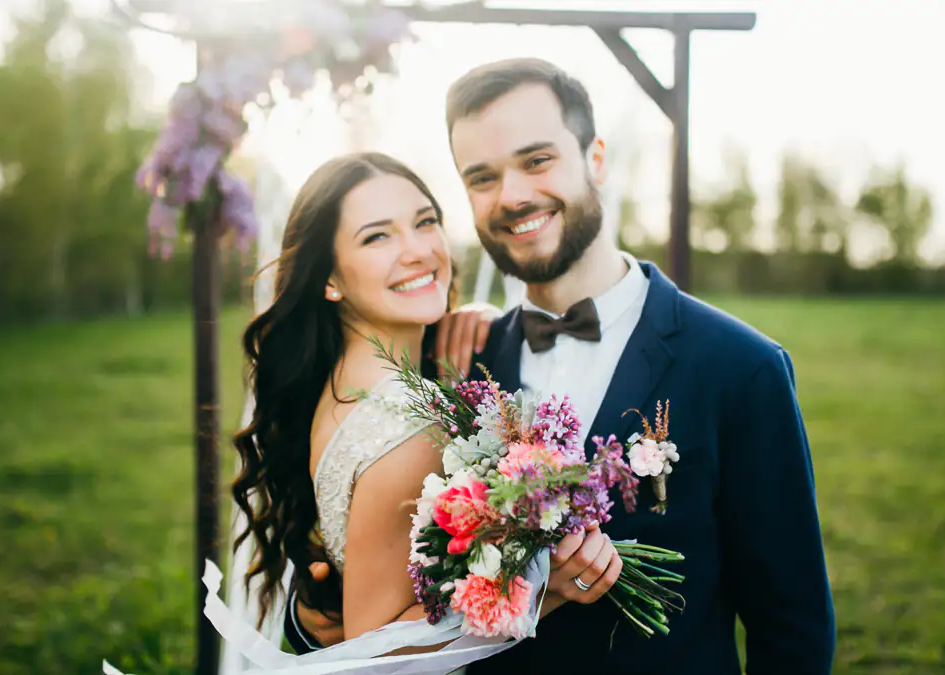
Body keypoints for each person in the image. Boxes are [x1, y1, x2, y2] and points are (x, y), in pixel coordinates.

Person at [288, 59, 837, 674]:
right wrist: (312, 606)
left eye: (537, 161)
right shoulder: (456, 362)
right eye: (482, 177)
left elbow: (792, 631)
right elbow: (377, 566)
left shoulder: (741, 369)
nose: (513, 195)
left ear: (595, 159)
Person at [231, 151, 621, 662]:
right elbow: (370, 656)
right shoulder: (408, 427)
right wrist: (540, 587)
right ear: (330, 278)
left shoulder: (347, 383)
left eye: (425, 222)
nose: (417, 250)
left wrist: (477, 319)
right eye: (377, 236)